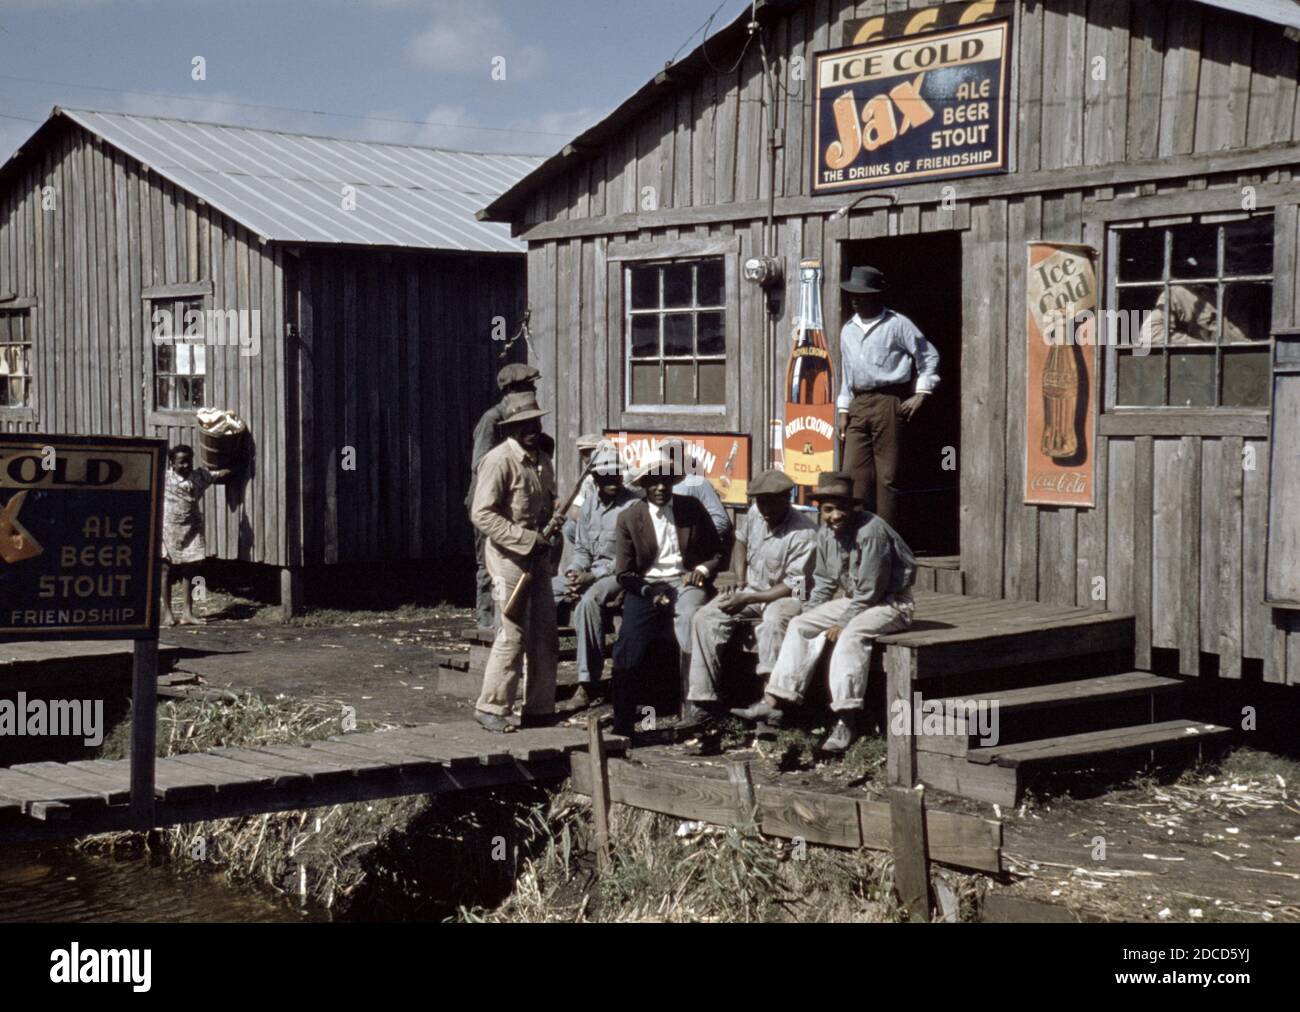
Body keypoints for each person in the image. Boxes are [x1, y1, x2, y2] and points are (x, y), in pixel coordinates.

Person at [733, 471, 917, 755]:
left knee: (850, 637)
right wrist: (809, 612)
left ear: (854, 507)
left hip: (891, 604)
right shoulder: (826, 534)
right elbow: (824, 583)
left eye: (841, 508)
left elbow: (872, 591)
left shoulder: (871, 532)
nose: (835, 516)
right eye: (828, 509)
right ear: (820, 509)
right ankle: (774, 701)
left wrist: (842, 623)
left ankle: (846, 720)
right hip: (857, 600)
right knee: (799, 624)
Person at [682, 469, 816, 733]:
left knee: (774, 621)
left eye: (771, 501)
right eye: (760, 501)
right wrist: (741, 580)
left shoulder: (805, 533)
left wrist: (749, 597)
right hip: (754, 589)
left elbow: (794, 585)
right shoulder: (757, 513)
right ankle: (703, 703)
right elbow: (740, 541)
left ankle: (772, 705)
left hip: (793, 595)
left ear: (787, 498)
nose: (764, 508)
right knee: (705, 616)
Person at [610, 447, 723, 737]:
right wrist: (649, 592)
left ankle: (694, 711)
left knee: (691, 621)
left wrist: (703, 570)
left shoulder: (691, 509)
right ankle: (623, 722)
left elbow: (715, 551)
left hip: (686, 581)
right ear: (643, 485)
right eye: (653, 481)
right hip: (646, 585)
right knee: (630, 643)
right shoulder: (629, 517)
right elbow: (624, 573)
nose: (660, 487)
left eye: (666, 481)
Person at [469, 391, 560, 733]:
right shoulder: (498, 460)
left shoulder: (543, 461)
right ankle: (491, 707)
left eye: (535, 422)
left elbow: (549, 505)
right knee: (512, 634)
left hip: (539, 558)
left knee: (545, 636)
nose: (531, 429)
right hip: (508, 558)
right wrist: (524, 539)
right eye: (523, 424)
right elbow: (482, 514)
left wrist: (551, 532)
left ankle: (539, 709)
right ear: (510, 429)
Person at [835, 266, 940, 529]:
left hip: (888, 401)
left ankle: (885, 541)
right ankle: (855, 535)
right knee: (853, 473)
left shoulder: (897, 324)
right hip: (859, 403)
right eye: (852, 295)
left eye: (862, 294)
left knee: (888, 478)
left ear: (876, 296)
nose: (855, 299)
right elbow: (847, 374)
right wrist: (843, 410)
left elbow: (928, 356)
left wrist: (921, 393)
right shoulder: (847, 329)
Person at [553, 445, 638, 711]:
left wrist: (592, 576)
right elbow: (581, 549)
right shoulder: (589, 505)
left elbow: (631, 556)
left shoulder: (633, 505)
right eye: (607, 477)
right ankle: (538, 676)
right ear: (596, 480)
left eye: (617, 475)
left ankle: (587, 683)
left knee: (588, 602)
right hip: (590, 572)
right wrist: (574, 572)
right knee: (543, 591)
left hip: (620, 574)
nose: (614, 480)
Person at [467, 362, 544, 631]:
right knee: (488, 566)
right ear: (510, 390)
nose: (532, 391)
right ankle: (488, 624)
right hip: (489, 499)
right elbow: (480, 463)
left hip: (514, 501)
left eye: (532, 386)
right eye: (526, 387)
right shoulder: (492, 419)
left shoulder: (529, 415)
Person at [160, 445, 232, 626]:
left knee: (190, 569)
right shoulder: (163, 478)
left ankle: (187, 613)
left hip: (191, 528)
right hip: (167, 528)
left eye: (188, 461)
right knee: (166, 570)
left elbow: (220, 474)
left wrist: (233, 464)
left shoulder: (199, 476)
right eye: (181, 462)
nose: (185, 465)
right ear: (172, 463)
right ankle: (168, 613)